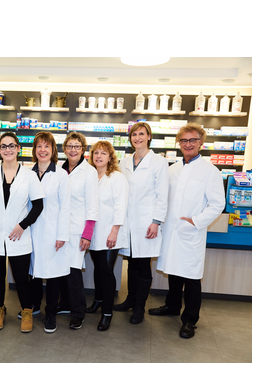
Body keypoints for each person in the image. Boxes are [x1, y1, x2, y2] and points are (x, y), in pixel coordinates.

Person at [149, 123, 225, 338]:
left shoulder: (210, 171)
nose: (188, 144)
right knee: (173, 271)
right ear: (179, 143)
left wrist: (196, 221)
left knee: (191, 277)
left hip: (191, 232)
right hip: (172, 230)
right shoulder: (172, 169)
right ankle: (172, 306)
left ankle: (190, 319)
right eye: (184, 140)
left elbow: (217, 204)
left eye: (193, 140)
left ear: (201, 143)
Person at [0, 132, 45, 333]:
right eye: (4, 146)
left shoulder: (29, 175)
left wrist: (23, 225)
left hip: (18, 234)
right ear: (0, 150)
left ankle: (27, 310)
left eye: (12, 146)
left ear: (18, 148)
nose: (8, 149)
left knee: (22, 277)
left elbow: (38, 206)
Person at [114, 122, 168, 324]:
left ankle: (139, 307)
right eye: (134, 134)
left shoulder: (159, 162)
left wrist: (155, 222)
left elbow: (163, 195)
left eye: (141, 134)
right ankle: (129, 299)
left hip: (147, 221)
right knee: (131, 262)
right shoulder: (124, 162)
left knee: (143, 264)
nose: (137, 138)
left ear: (149, 137)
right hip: (128, 222)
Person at [28, 132, 71, 333]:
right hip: (32, 230)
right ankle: (34, 305)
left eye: (47, 146)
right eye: (39, 146)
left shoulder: (61, 175)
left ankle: (51, 314)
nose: (43, 150)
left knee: (53, 274)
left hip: (53, 231)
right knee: (34, 271)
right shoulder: (27, 173)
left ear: (53, 150)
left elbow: (66, 207)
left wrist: (62, 235)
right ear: (34, 150)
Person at [87, 140, 129, 331]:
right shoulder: (90, 176)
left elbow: (121, 207)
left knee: (106, 270)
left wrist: (114, 231)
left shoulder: (117, 178)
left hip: (110, 232)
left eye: (103, 153)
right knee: (98, 268)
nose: (99, 156)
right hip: (93, 232)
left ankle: (107, 312)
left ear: (110, 157)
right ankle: (98, 300)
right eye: (96, 153)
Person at [59, 132, 98, 330]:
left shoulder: (89, 172)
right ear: (64, 148)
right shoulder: (59, 169)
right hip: (60, 228)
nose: (73, 150)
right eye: (70, 146)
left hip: (77, 229)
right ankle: (65, 305)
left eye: (77, 146)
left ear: (83, 149)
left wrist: (87, 234)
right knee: (61, 269)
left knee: (74, 271)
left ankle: (78, 312)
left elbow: (92, 205)